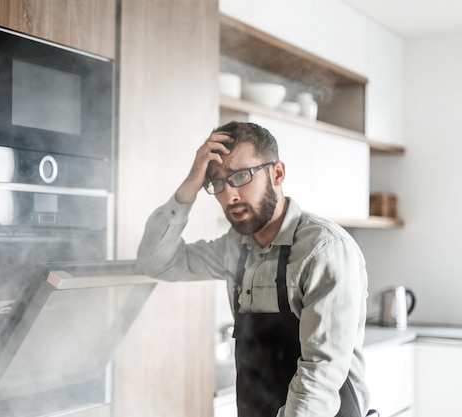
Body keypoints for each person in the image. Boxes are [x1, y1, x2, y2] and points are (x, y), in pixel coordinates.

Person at [136, 121, 371, 417]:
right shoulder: (234, 248)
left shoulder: (324, 249)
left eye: (241, 176)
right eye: (217, 183)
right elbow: (156, 261)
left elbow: (320, 375)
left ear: (277, 173)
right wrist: (192, 182)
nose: (229, 195)